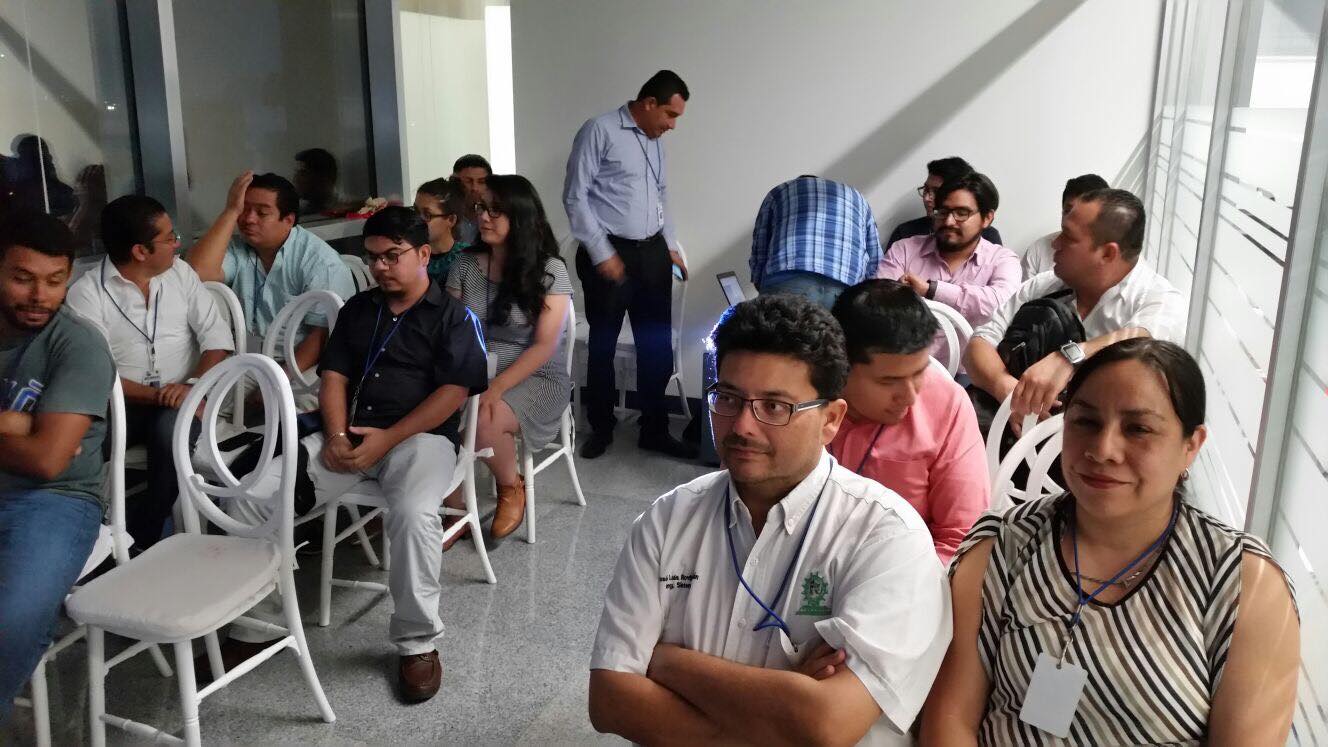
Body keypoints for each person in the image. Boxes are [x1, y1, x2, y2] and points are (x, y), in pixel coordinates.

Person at [588, 293, 951, 746]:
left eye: (775, 407)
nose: (742, 425)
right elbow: (610, 700)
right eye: (728, 398)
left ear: (831, 419)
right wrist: (788, 702)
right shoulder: (667, 519)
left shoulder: (887, 537)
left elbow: (829, 724)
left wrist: (666, 663)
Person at [921, 339, 1299, 744]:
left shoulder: (1241, 584)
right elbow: (950, 720)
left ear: (1191, 445)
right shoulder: (1002, 546)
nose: (1103, 450)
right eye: (1086, 422)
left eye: (1138, 429)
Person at [221, 206, 489, 703]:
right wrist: (337, 435)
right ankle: (257, 628)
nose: (380, 267)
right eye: (372, 257)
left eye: (392, 256)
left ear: (423, 254)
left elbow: (453, 394)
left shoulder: (455, 318)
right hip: (347, 437)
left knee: (414, 514)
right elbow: (334, 377)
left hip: (421, 440)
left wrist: (387, 440)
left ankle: (417, 642)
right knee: (251, 496)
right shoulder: (358, 311)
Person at [65, 195, 234, 551]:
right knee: (77, 445)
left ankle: (144, 539)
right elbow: (96, 373)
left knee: (171, 432)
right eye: (169, 238)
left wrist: (192, 387)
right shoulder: (86, 294)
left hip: (185, 397)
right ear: (140, 251)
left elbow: (217, 339)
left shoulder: (180, 274)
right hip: (118, 404)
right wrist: (160, 395)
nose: (177, 244)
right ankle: (87, 538)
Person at [0, 210, 116, 724]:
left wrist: (37, 436)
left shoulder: (78, 343)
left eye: (55, 281)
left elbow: (48, 460)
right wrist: (18, 426)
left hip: (56, 500)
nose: (39, 296)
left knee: (12, 616)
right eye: (22, 278)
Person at [964, 189, 1186, 430]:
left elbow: (1144, 340)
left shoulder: (1159, 299)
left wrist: (1068, 357)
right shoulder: (1045, 285)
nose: (1055, 243)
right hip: (1010, 434)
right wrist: (1008, 390)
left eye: (1068, 237)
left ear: (1107, 253)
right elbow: (979, 344)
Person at [564, 69, 694, 460]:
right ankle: (600, 428)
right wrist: (602, 253)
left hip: (652, 253)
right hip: (610, 253)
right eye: (670, 115)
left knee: (656, 346)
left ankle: (654, 429)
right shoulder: (599, 130)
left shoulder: (656, 142)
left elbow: (661, 196)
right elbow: (575, 197)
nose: (672, 125)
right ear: (649, 103)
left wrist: (668, 244)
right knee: (602, 346)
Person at [443, 175, 572, 541]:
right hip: (474, 369)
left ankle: (510, 486)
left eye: (495, 211)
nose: (483, 217)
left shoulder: (550, 270)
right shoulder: (466, 264)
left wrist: (496, 386)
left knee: (484, 419)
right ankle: (454, 508)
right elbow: (450, 329)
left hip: (536, 374)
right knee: (431, 409)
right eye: (481, 208)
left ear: (521, 216)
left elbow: (544, 346)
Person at [829, 280, 989, 563]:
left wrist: (904, 584)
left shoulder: (946, 405)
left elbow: (962, 537)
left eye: (919, 373)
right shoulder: (805, 398)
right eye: (888, 382)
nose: (910, 396)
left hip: (910, 567)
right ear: (841, 367)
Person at [186, 171, 355, 372]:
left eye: (262, 213)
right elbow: (196, 274)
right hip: (246, 359)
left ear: (288, 220)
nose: (249, 219)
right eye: (244, 209)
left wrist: (280, 380)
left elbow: (321, 336)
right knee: (201, 390)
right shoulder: (239, 247)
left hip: (304, 366)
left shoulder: (320, 262)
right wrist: (230, 211)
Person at [877, 172, 1020, 330]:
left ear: (987, 218)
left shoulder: (1003, 260)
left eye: (961, 213)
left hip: (970, 347)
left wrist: (931, 290)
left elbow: (1004, 306)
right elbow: (877, 305)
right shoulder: (904, 249)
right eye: (943, 212)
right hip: (902, 345)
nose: (949, 221)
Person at [748, 175, 884, 309]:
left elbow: (760, 253)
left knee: (775, 323)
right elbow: (875, 264)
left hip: (788, 280)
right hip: (845, 289)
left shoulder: (779, 192)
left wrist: (763, 291)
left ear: (799, 181)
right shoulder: (859, 199)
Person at [885, 157, 1002, 249]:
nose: (927, 198)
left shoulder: (987, 237)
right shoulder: (905, 233)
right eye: (926, 190)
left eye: (937, 191)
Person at [1021, 174, 1109, 279]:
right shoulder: (1038, 250)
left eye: (1083, 213)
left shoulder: (1111, 264)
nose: (1072, 218)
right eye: (1068, 211)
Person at [414, 176, 471, 281]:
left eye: (427, 215)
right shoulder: (409, 254)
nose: (418, 219)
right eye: (416, 211)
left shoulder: (468, 258)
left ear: (451, 220)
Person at [452, 154, 492, 245]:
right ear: (455, 182)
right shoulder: (445, 215)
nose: (475, 188)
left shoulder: (495, 217)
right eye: (468, 181)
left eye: (481, 182)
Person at [294, 147, 340, 216]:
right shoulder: (304, 212)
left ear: (322, 178)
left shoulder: (335, 213)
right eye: (297, 172)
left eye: (303, 172)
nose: (296, 178)